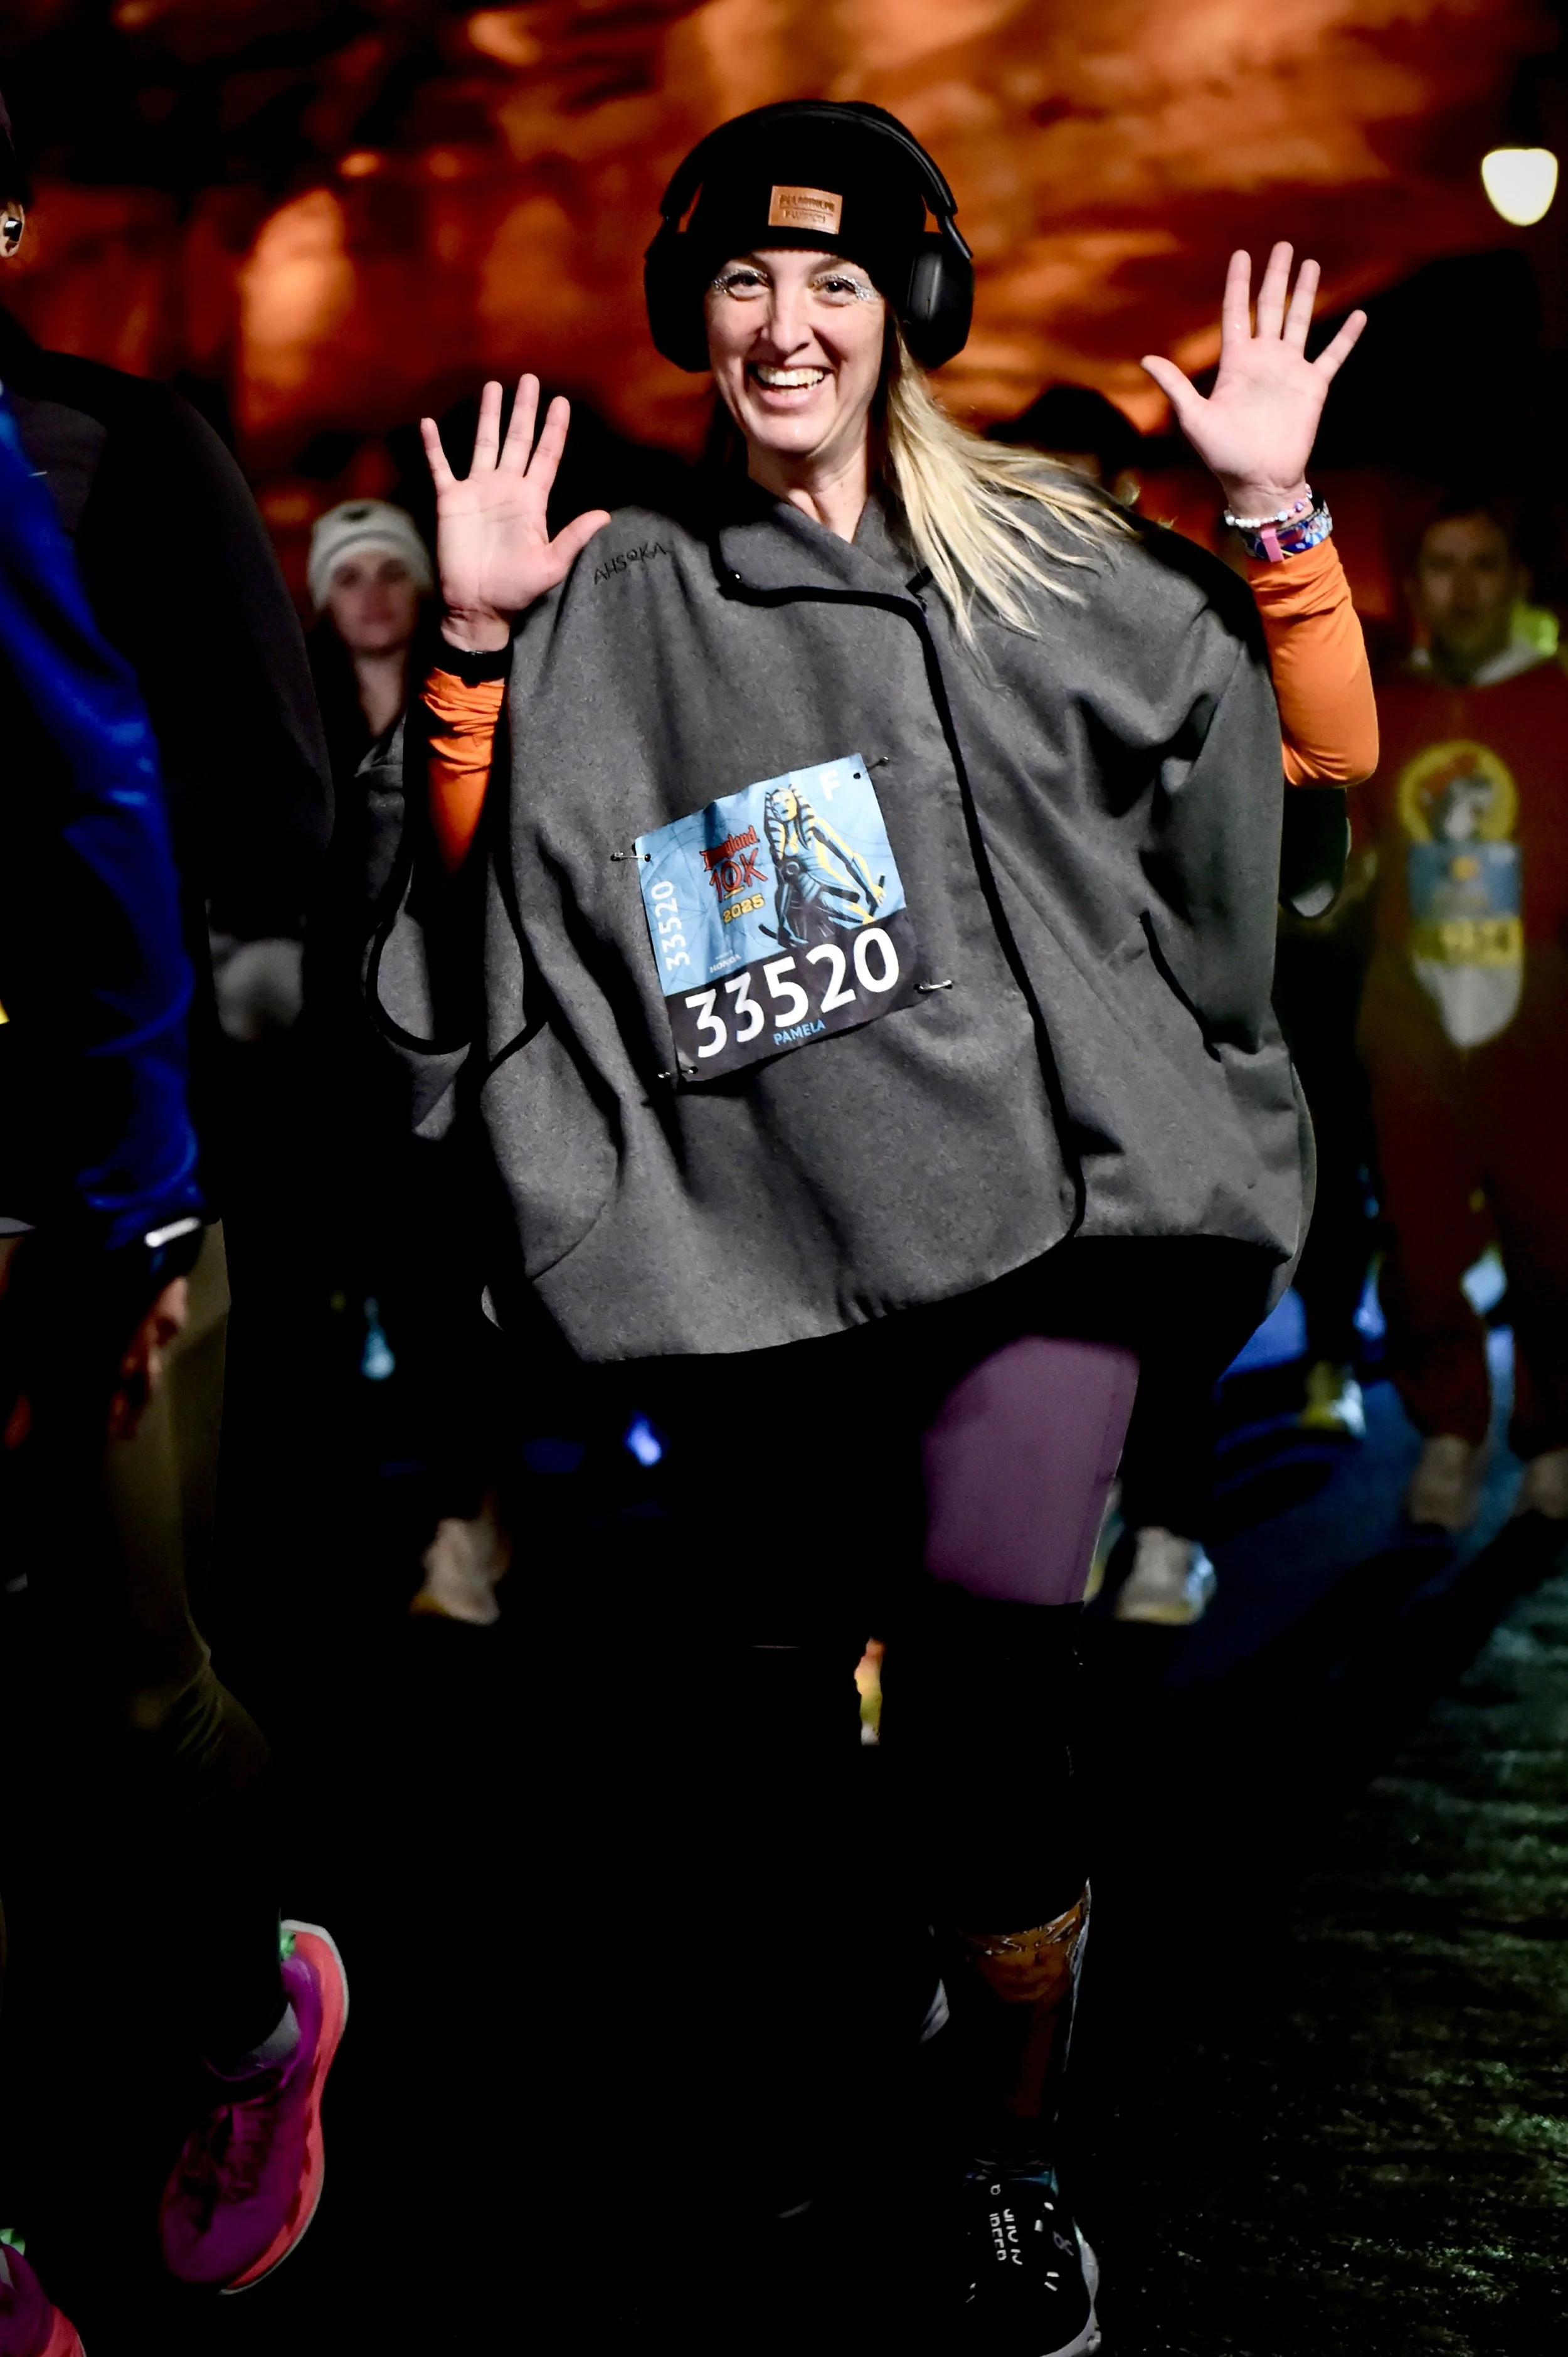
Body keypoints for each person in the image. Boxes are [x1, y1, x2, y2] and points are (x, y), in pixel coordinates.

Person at [359, 100, 1371, 2348]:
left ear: (904, 307)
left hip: (1040, 1264)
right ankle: (846, 2043)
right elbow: (476, 923)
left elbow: (1302, 781)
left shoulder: (1041, 556)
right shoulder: (614, 597)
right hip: (756, 1261)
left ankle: (1010, 2163)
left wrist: (1280, 527)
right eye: (739, 281)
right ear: (686, 319)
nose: (784, 321)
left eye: (830, 280)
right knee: (761, 1742)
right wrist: (466, 663)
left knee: (992, 1705)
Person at [0, 391, 347, 2353]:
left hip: (88, 1166)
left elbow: (262, 804)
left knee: (131, 1687)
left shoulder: (106, 448)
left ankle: (247, 2013)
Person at [1356, 491, 1568, 1530]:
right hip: (1412, 1004)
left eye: (1485, 564)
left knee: (1554, 1233)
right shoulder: (1381, 702)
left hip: (1542, 1003)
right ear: (1417, 585)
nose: (1464, 587)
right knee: (1422, 1236)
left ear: (1518, 579)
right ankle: (1448, 1430)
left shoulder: (1557, 699)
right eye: (1442, 565)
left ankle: (1555, 1433)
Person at [307, 497, 433, 789]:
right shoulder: (300, 729)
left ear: (420, 588)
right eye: (349, 579)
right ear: (326, 604)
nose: (373, 596)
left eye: (393, 574)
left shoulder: (471, 705)